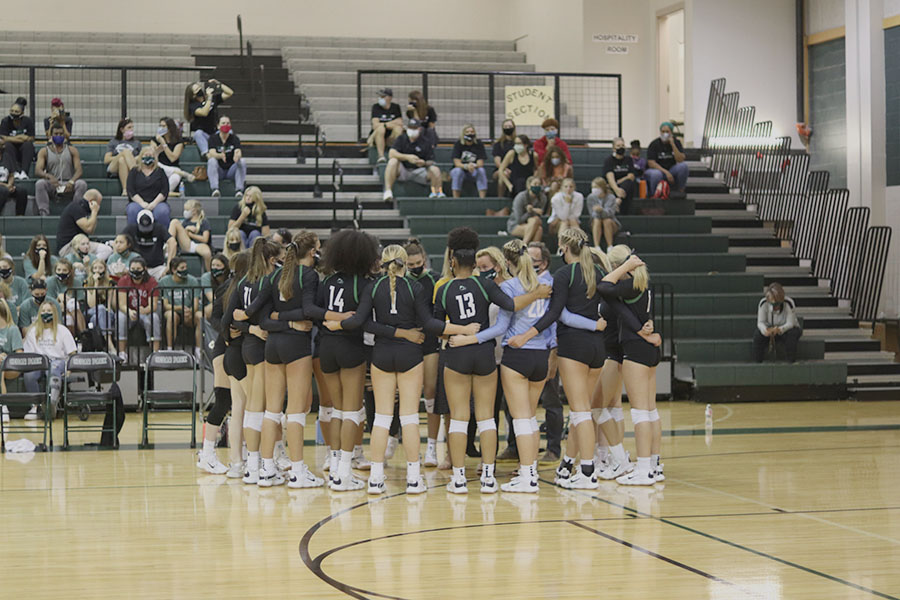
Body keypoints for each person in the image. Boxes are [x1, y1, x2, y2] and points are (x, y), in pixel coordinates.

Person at [328, 244, 455, 495]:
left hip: (382, 355)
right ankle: (413, 478)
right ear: (405, 263)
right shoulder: (416, 287)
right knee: (408, 418)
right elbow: (429, 323)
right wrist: (460, 329)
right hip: (410, 355)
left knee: (382, 419)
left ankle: (376, 478)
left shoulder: (373, 287)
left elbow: (360, 322)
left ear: (383, 264)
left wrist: (336, 324)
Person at [435, 227, 550, 494]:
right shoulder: (485, 284)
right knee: (488, 419)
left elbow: (435, 325)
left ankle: (459, 478)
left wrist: (460, 331)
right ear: (474, 262)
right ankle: (488, 477)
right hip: (485, 354)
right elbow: (510, 305)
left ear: (452, 261)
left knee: (460, 418)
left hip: (457, 353)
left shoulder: (443, 287)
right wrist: (536, 294)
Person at [507, 228, 614, 490]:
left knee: (580, 412)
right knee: (582, 412)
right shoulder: (598, 272)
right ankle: (568, 463)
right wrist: (597, 325)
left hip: (575, 347)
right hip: (598, 349)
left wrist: (526, 335)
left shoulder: (565, 274)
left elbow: (559, 315)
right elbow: (610, 306)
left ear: (564, 248)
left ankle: (587, 471)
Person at [304, 230, 380, 491]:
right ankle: (345, 473)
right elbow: (360, 320)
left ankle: (335, 467)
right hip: (350, 347)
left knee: (335, 410)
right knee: (352, 412)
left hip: (325, 347)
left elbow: (315, 311)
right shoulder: (365, 283)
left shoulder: (328, 281)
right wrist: (341, 324)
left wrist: (331, 321)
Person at [598, 248, 663, 485]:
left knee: (640, 413)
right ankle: (654, 465)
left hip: (635, 351)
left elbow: (604, 287)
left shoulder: (631, 283)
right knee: (651, 411)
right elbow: (621, 309)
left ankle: (644, 469)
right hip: (647, 349)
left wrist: (623, 268)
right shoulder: (641, 284)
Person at [221, 238, 283, 485]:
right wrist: (257, 325)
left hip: (247, 348)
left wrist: (245, 323)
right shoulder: (268, 282)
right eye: (277, 260)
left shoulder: (243, 282)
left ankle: (252, 466)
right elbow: (260, 316)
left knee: (251, 408)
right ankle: (264, 466)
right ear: (270, 259)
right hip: (263, 348)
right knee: (265, 409)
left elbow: (230, 317)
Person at [528, 241, 563, 463]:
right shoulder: (521, 283)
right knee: (515, 404)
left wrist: (554, 352)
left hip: (546, 347)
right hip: (523, 350)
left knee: (550, 400)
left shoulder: (552, 285)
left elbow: (555, 320)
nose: (530, 265)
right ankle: (514, 445)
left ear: (545, 262)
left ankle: (553, 448)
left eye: (534, 261)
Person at [22, 302, 76, 421]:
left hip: (58, 361)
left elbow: (72, 353)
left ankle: (52, 404)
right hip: (39, 362)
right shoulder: (33, 331)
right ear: (39, 313)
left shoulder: (62, 330)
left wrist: (69, 370)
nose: (46, 314)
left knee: (54, 369)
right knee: (29, 375)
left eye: (49, 311)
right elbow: (29, 353)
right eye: (43, 311)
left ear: (54, 313)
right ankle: (36, 407)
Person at [382, 119, 442, 202]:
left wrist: (423, 162)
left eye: (414, 128)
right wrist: (407, 157)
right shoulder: (402, 138)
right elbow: (391, 153)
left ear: (419, 129)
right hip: (403, 170)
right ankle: (388, 191)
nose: (412, 130)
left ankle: (436, 193)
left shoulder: (425, 142)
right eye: (410, 128)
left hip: (420, 171)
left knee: (435, 170)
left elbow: (431, 160)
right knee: (392, 161)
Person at [114, 256, 161, 360]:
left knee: (154, 318)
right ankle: (122, 353)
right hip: (129, 311)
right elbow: (121, 304)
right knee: (120, 317)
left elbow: (153, 305)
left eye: (138, 269)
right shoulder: (123, 280)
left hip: (145, 311)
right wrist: (129, 311)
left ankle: (155, 353)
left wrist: (144, 310)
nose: (135, 271)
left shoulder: (151, 281)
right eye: (133, 269)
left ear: (145, 269)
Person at [34, 122, 87, 215]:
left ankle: (76, 212)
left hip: (68, 182)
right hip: (53, 183)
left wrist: (71, 182)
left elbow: (79, 170)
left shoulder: (72, 150)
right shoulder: (44, 151)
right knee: (40, 184)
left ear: (64, 135)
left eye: (61, 134)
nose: (59, 136)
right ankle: (44, 213)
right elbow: (38, 170)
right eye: (56, 134)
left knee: (81, 184)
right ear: (51, 135)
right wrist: (49, 177)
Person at [158, 257, 202, 355]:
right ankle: (170, 349)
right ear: (174, 270)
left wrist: (190, 311)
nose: (185, 270)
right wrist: (180, 308)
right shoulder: (164, 282)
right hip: (173, 311)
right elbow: (166, 305)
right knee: (171, 315)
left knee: (200, 316)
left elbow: (195, 304)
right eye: (182, 268)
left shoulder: (193, 281)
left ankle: (198, 351)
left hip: (189, 312)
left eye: (186, 267)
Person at [56, 189, 111, 261]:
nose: (98, 206)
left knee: (107, 246)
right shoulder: (76, 207)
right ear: (92, 201)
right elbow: (88, 229)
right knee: (107, 250)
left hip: (80, 243)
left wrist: (94, 213)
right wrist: (94, 211)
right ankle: (90, 265)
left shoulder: (82, 208)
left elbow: (91, 231)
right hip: (68, 246)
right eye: (98, 203)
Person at [184, 79, 233, 159]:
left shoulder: (212, 98)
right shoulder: (193, 106)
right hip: (205, 134)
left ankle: (228, 152)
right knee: (198, 134)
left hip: (215, 132)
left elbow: (229, 93)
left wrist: (219, 84)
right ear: (193, 95)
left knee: (229, 131)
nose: (200, 89)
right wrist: (209, 98)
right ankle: (207, 154)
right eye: (197, 90)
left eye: (199, 87)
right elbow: (204, 112)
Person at [754, 282, 801, 363]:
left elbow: (790, 323)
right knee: (757, 335)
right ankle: (758, 361)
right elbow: (760, 322)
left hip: (786, 329)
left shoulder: (789, 303)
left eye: (777, 303)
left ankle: (791, 361)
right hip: (770, 329)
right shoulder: (763, 303)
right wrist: (765, 331)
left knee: (792, 334)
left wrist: (779, 329)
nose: (775, 306)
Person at [123, 209, 174, 281]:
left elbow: (172, 242)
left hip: (157, 268)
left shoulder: (159, 228)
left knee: (167, 278)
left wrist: (169, 265)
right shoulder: (131, 228)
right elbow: (119, 240)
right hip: (136, 268)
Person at [126, 146, 170, 228]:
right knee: (132, 210)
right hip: (137, 202)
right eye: (146, 155)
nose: (148, 157)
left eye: (151, 155)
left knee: (163, 212)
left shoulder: (160, 171)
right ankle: (132, 238)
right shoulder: (134, 171)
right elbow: (131, 190)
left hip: (157, 202)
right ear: (141, 157)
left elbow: (164, 191)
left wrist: (154, 204)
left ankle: (164, 237)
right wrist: (142, 203)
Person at [151, 117, 196, 194]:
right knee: (158, 165)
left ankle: (164, 193)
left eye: (164, 126)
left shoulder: (178, 142)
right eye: (160, 126)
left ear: (170, 128)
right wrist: (157, 151)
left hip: (172, 167)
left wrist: (164, 144)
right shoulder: (155, 140)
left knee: (176, 177)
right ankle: (182, 173)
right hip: (158, 168)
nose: (161, 128)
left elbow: (172, 158)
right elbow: (152, 158)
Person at [206, 116, 246, 198]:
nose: (226, 125)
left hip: (231, 170)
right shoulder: (213, 138)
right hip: (219, 170)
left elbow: (238, 151)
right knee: (212, 161)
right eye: (223, 123)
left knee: (242, 161)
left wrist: (237, 155)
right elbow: (211, 153)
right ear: (218, 126)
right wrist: (220, 155)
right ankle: (215, 189)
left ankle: (239, 190)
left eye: (228, 123)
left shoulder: (234, 138)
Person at [645, 122, 688, 195]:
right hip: (657, 170)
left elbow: (680, 160)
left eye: (667, 131)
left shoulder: (676, 142)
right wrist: (666, 172)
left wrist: (673, 145)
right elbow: (651, 163)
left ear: (671, 132)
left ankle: (680, 191)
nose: (665, 133)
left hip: (671, 169)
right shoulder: (654, 144)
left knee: (683, 166)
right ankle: (655, 195)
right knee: (656, 174)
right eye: (663, 131)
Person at [169, 199, 212, 270]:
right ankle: (168, 246)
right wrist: (186, 229)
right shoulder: (185, 222)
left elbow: (205, 239)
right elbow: (181, 236)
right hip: (187, 244)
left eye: (187, 210)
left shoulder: (204, 222)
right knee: (174, 222)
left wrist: (191, 235)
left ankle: (209, 273)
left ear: (194, 211)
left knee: (207, 253)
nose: (185, 212)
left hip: (199, 245)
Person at [0, 97, 35, 180]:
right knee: (7, 145)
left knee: (28, 145)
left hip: (24, 147)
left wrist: (10, 137)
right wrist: (22, 137)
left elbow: (31, 138)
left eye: (16, 111)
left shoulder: (28, 121)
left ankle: (24, 172)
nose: (13, 113)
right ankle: (14, 172)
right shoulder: (5, 121)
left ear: (22, 112)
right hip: (11, 147)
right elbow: (3, 138)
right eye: (12, 111)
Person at [104, 118, 141, 196]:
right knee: (124, 153)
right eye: (129, 127)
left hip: (128, 164)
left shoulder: (137, 143)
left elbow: (140, 158)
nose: (132, 129)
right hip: (113, 167)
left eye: (132, 127)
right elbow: (106, 160)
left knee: (122, 160)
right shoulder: (113, 142)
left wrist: (127, 158)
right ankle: (136, 176)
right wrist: (123, 154)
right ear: (122, 129)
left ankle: (125, 190)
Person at [507, 176, 548, 244]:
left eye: (539, 184)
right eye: (535, 184)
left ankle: (525, 248)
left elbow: (539, 217)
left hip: (532, 224)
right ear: (529, 186)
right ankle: (525, 246)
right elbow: (519, 220)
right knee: (536, 224)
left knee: (539, 228)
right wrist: (530, 212)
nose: (537, 186)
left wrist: (532, 210)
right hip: (515, 225)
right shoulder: (521, 197)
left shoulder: (543, 198)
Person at [0, 298, 23, 422]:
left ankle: (4, 408)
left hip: (13, 367)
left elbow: (19, 355)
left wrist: (5, 358)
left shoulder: (12, 329)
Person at [450, 124, 488, 198]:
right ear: (463, 134)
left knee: (481, 170)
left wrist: (473, 166)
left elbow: (480, 163)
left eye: (472, 132)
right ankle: (456, 198)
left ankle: (482, 198)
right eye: (467, 132)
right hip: (461, 170)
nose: (470, 134)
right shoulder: (458, 144)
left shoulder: (479, 144)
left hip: (474, 170)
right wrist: (466, 166)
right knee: (457, 171)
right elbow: (457, 163)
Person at [603, 137, 638, 213]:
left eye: (622, 145)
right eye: (618, 146)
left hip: (626, 186)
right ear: (614, 148)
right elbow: (610, 177)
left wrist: (619, 181)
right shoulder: (609, 160)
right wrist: (616, 189)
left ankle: (618, 201)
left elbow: (631, 176)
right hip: (613, 187)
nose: (621, 147)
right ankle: (617, 201)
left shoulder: (628, 159)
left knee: (629, 182)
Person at [369, 88, 403, 161]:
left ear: (390, 98)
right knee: (381, 129)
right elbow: (375, 125)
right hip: (379, 135)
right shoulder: (376, 107)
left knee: (398, 129)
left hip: (390, 137)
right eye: (380, 97)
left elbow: (400, 123)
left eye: (383, 97)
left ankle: (397, 153)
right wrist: (389, 124)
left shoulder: (395, 107)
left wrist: (383, 124)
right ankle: (381, 156)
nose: (381, 99)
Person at [84, 259, 115, 340]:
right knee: (100, 308)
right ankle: (109, 342)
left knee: (101, 314)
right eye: (95, 268)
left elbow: (109, 304)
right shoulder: (87, 283)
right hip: (91, 311)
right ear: (92, 270)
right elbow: (92, 304)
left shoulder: (110, 282)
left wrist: (106, 311)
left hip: (104, 312)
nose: (97, 270)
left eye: (100, 268)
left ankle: (102, 343)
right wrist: (96, 284)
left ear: (105, 269)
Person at [498, 135, 536, 199]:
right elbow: (501, 170)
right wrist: (509, 185)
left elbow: (536, 169)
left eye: (519, 144)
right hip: (515, 184)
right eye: (515, 143)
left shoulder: (533, 155)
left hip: (528, 184)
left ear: (526, 145)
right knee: (520, 183)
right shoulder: (511, 154)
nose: (516, 146)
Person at [586, 178, 620, 250]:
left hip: (610, 222)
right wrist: (600, 211)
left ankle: (610, 246)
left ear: (602, 188)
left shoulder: (611, 197)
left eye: (596, 187)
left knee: (606, 220)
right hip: (596, 222)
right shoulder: (590, 197)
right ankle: (597, 246)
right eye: (593, 187)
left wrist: (601, 210)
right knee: (597, 220)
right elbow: (592, 214)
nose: (594, 190)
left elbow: (610, 213)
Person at [492, 119, 517, 197]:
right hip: (500, 170)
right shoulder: (498, 144)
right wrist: (505, 169)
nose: (508, 128)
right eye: (506, 126)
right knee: (503, 174)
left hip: (516, 169)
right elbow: (497, 162)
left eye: (510, 126)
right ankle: (500, 199)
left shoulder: (518, 143)